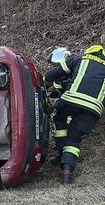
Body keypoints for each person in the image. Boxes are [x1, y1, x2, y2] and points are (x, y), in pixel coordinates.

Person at [44, 44, 105, 184]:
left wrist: (42, 86)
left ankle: (61, 152)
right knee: (75, 137)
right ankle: (67, 172)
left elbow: (53, 74)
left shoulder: (80, 58)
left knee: (58, 117)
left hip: (72, 99)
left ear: (90, 51)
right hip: (93, 108)